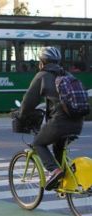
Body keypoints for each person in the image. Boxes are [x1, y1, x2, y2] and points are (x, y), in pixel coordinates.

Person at [19, 47, 83, 190]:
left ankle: (54, 171)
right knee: (58, 147)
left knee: (38, 143)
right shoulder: (67, 75)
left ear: (42, 62)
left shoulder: (42, 76)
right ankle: (65, 180)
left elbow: (29, 102)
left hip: (60, 123)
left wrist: (22, 114)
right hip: (77, 122)